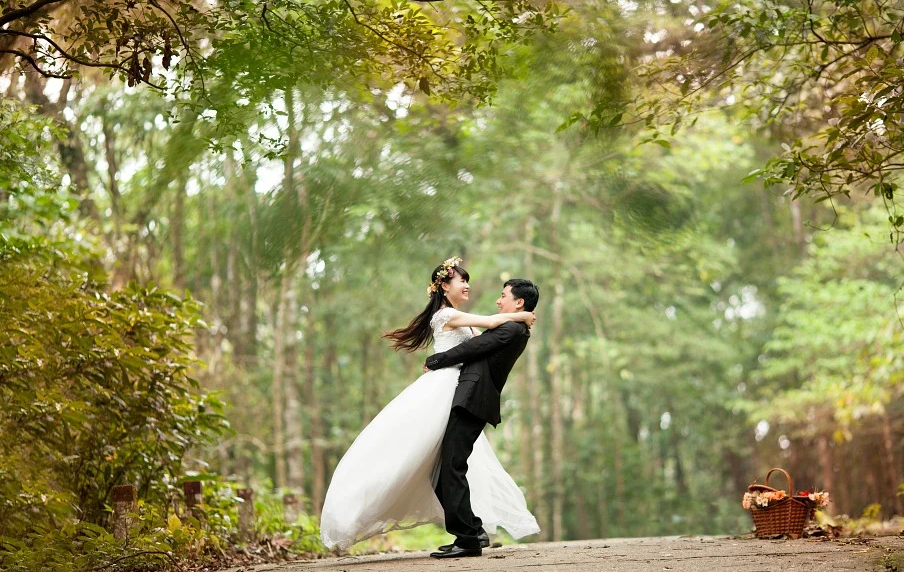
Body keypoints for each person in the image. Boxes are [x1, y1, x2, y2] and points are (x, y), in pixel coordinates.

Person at [319, 257, 540, 551]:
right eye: (462, 280)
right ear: (445, 286)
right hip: (442, 390)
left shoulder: (464, 318)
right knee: (436, 462)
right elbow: (489, 325)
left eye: (466, 280)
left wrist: (520, 319)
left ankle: (470, 533)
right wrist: (523, 317)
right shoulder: (445, 315)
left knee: (448, 463)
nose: (467, 285)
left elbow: (482, 341)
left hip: (458, 392)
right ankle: (469, 532)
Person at [425, 276, 540, 558]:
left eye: (504, 296)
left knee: (451, 467)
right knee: (447, 468)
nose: (499, 300)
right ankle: (473, 531)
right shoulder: (514, 326)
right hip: (470, 399)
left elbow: (471, 348)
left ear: (519, 302)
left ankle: (468, 539)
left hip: (473, 399)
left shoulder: (513, 329)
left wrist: (436, 360)